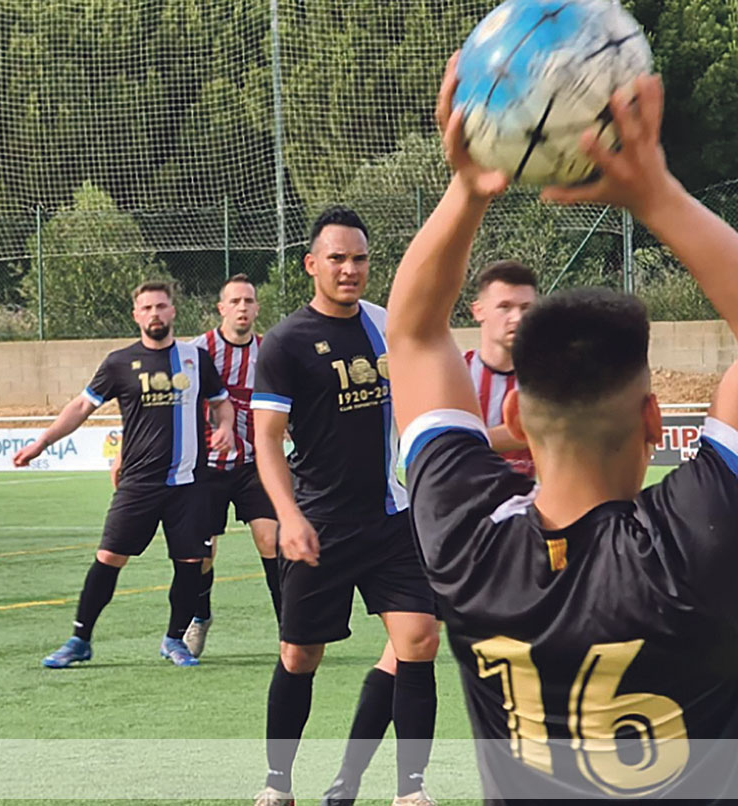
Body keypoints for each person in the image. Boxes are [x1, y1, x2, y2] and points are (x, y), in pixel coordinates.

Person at [386, 60, 738, 802]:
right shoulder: (698, 540)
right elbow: (416, 335)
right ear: (653, 420)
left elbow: (413, 334)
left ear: (513, 417)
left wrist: (467, 188)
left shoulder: (466, 544)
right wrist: (657, 193)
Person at [250, 207, 440, 806]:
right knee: (299, 655)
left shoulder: (388, 325)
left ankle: (410, 790)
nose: (350, 269)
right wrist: (289, 516)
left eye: (359, 259)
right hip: (319, 526)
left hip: (390, 518)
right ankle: (278, 783)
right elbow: (266, 439)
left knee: (419, 640)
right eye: (337, 259)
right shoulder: (285, 343)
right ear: (312, 265)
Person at [14, 281, 235, 668]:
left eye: (161, 306)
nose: (154, 314)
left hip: (189, 484)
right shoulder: (119, 362)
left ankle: (174, 640)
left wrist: (226, 427)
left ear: (173, 311)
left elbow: (221, 403)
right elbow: (82, 406)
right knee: (109, 557)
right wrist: (42, 442)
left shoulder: (195, 358)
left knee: (190, 563)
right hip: (138, 484)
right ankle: (80, 639)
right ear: (136, 315)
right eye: (146, 308)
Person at [184, 273, 280, 656]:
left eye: (249, 301)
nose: (242, 307)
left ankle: (290, 629)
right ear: (221, 308)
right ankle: (200, 616)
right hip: (205, 467)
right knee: (202, 554)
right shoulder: (198, 351)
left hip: (255, 462)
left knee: (271, 540)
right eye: (235, 301)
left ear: (257, 308)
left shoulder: (269, 352)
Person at [465, 260, 538, 477]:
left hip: (527, 495)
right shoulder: (457, 373)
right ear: (478, 311)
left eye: (526, 308)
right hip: (465, 496)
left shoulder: (548, 376)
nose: (517, 318)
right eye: (504, 307)